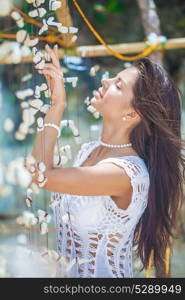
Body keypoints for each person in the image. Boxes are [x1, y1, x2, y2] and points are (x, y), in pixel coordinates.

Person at [31, 44, 185, 278]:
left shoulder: (124, 173)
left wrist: (57, 105)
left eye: (118, 85)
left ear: (132, 114)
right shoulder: (89, 150)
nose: (105, 81)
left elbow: (41, 175)